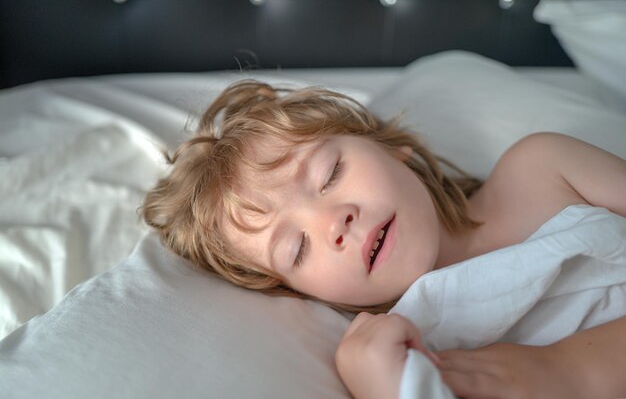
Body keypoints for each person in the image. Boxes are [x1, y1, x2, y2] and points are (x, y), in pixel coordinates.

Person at [141, 80, 626, 399]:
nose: (336, 222)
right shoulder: (402, 349)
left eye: (330, 174)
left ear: (392, 147)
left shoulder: (542, 169)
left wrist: (570, 370)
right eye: (298, 249)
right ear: (303, 294)